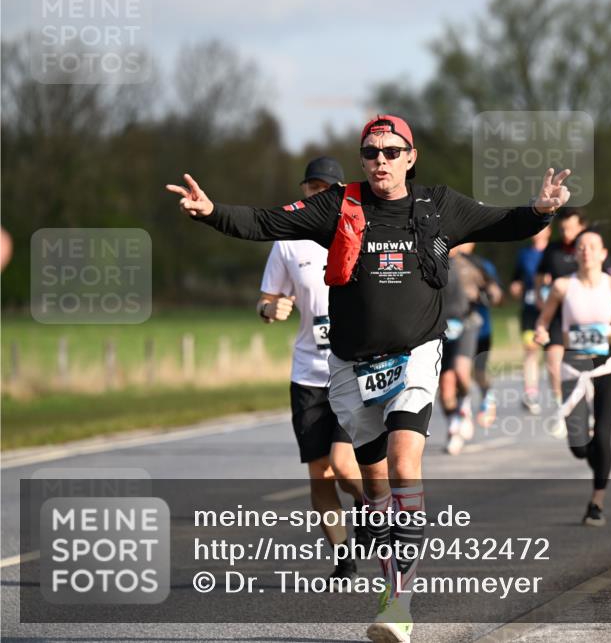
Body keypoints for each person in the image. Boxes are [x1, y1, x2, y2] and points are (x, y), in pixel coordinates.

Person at [169, 114, 569, 643]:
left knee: (405, 462)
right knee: (375, 488)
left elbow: (501, 221)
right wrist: (211, 212)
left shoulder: (438, 206)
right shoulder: (339, 205)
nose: (381, 160)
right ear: (363, 160)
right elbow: (267, 222)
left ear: (410, 156)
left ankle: (398, 603)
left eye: (391, 150)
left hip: (415, 357)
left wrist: (540, 210)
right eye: (372, 152)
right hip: (351, 365)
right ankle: (385, 564)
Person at [257, 156, 366, 582]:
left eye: (326, 189)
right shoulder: (287, 242)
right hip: (307, 374)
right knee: (319, 473)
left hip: (352, 370)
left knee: (342, 463)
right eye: (311, 188)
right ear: (303, 191)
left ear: (340, 194)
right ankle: (343, 555)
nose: (316, 195)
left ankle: (377, 510)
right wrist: (271, 309)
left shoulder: (357, 232)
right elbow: (266, 299)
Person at [534, 230, 611, 526]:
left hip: (605, 369)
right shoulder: (562, 286)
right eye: (582, 246)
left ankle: (597, 502)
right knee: (580, 446)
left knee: (604, 437)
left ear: (603, 253)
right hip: (573, 368)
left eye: (592, 246)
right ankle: (597, 460)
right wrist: (542, 332)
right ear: (577, 254)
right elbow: (544, 321)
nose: (586, 251)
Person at [439, 243, 499, 455]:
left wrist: (488, 294)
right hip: (440, 328)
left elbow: (494, 291)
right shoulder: (431, 259)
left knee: (461, 371)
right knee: (445, 386)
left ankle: (464, 406)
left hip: (467, 323)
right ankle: (453, 424)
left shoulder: (472, 263)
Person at [535, 208, 587, 409]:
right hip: (557, 313)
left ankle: (585, 403)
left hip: (584, 316)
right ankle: (562, 405)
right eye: (563, 229)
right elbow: (539, 275)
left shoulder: (589, 248)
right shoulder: (553, 249)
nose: (567, 234)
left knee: (582, 363)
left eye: (571, 229)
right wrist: (540, 296)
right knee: (553, 363)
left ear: (581, 227)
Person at [509, 226, 550, 414]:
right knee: (531, 351)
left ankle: (561, 393)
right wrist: (515, 287)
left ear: (549, 231)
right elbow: (516, 279)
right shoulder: (524, 254)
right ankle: (531, 393)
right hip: (530, 310)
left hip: (553, 310)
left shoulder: (554, 252)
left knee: (554, 354)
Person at [469, 249, 502, 429]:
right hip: (451, 330)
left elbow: (497, 296)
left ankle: (487, 397)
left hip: (481, 329)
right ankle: (461, 410)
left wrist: (487, 294)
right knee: (455, 373)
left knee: (478, 370)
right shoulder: (442, 260)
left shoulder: (483, 265)